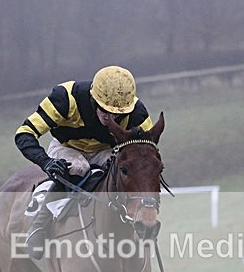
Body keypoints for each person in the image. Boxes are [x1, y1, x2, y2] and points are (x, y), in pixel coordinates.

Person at [15, 65, 154, 259]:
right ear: (92, 98)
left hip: (104, 151)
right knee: (79, 167)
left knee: (119, 171)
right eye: (105, 110)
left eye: (116, 114)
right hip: (66, 147)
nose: (110, 117)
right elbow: (24, 134)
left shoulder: (137, 114)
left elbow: (146, 156)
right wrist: (45, 162)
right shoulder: (65, 98)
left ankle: (131, 224)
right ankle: (40, 225)